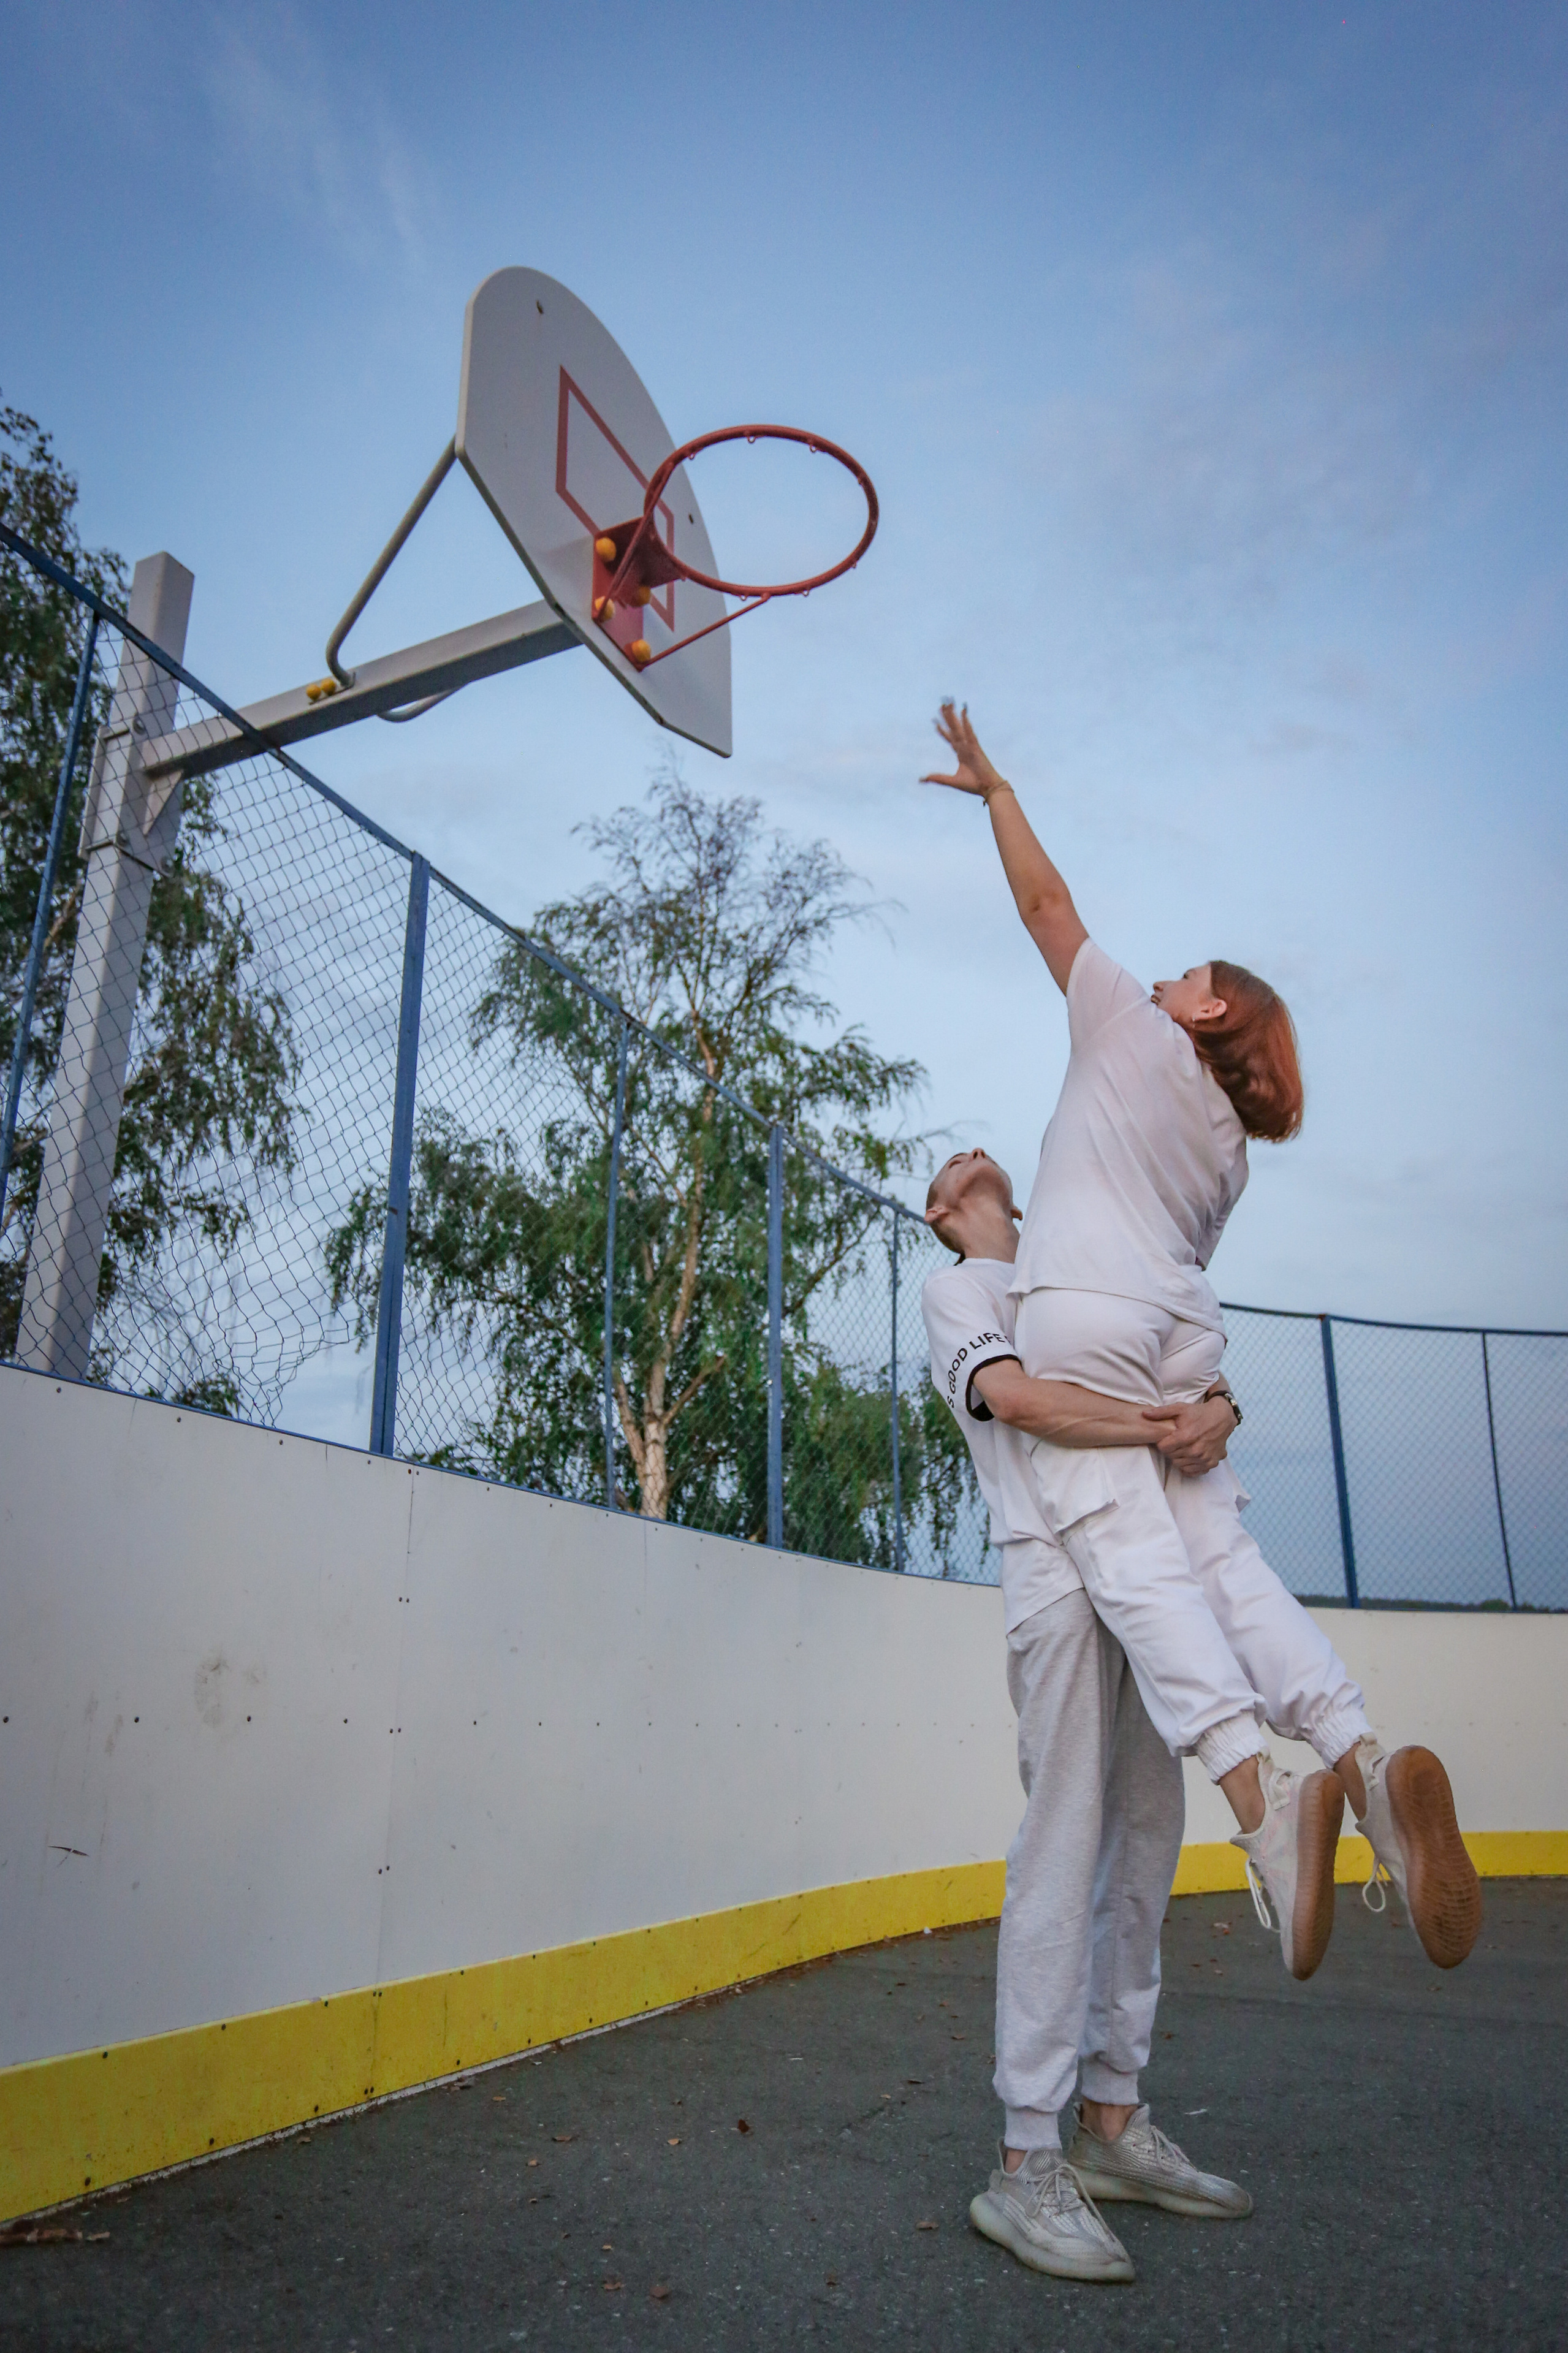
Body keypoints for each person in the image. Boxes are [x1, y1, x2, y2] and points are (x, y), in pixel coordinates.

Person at [921, 701, 1482, 1985]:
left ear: (1206, 1005)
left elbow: (1046, 910)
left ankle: (1258, 1802)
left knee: (1130, 1557)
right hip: (1184, 1324)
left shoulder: (1131, 1025)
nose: (1162, 976)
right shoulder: (1232, 1153)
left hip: (1091, 1316)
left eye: (1183, 973)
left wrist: (998, 791)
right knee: (1219, 1559)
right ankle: (1361, 1760)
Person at [921, 1144, 1251, 2285]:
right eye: (954, 1165)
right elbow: (1016, 1400)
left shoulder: (1070, 1268)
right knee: (1063, 1838)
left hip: (1143, 1568)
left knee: (1145, 1840)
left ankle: (1111, 2126)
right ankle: (1024, 2161)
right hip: (1053, 1575)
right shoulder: (961, 1289)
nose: (978, 1150)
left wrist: (1220, 1403)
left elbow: (1180, 1350)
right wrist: (1166, 1423)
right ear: (942, 1210)